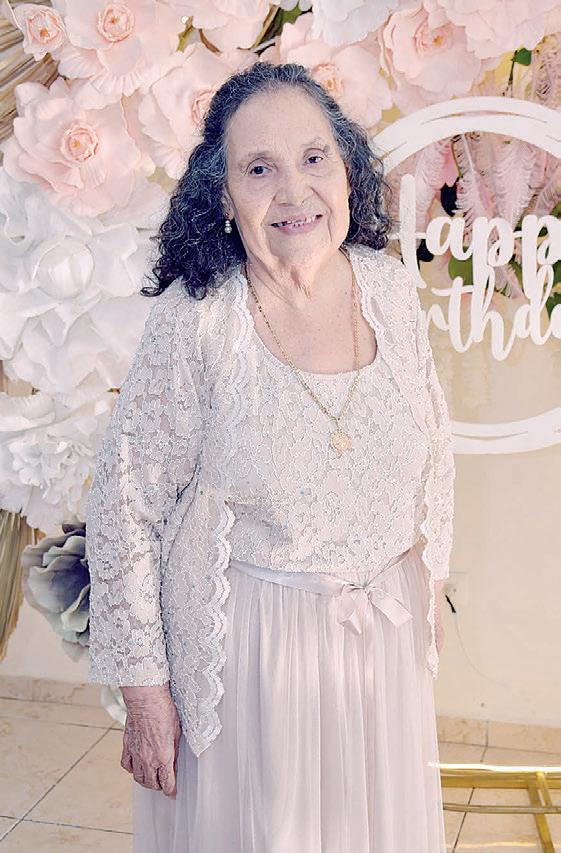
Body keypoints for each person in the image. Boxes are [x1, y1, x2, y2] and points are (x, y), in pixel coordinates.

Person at [86, 61, 455, 853]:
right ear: (222, 197)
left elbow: (434, 443)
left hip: (379, 653)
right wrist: (145, 692)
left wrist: (429, 588)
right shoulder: (196, 321)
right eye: (259, 169)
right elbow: (124, 506)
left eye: (313, 158)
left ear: (346, 171)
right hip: (250, 665)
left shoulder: (389, 290)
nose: (294, 191)